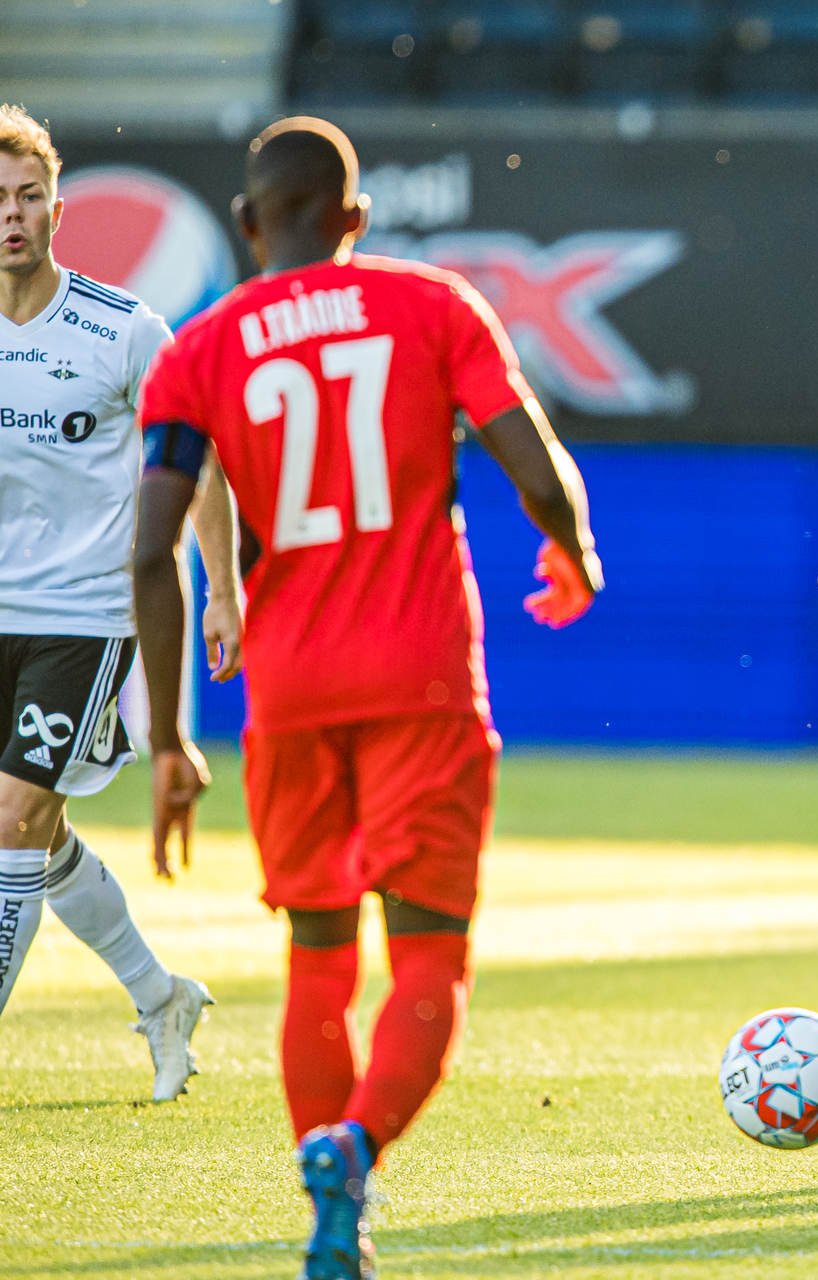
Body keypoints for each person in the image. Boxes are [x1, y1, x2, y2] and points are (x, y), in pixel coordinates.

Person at [133, 116, 603, 1279]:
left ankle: (327, 1211)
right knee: (430, 958)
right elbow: (532, 459)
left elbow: (149, 552)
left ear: (247, 225)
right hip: (423, 677)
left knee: (318, 960)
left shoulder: (198, 350)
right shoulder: (433, 306)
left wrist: (169, 735)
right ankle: (356, 1145)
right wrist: (573, 548)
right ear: (356, 217)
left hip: (288, 693)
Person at [0, 102, 233, 1101]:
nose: (10, 215)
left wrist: (222, 584)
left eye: (27, 195)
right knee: (35, 834)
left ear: (59, 208)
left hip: (84, 618)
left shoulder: (123, 328)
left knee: (13, 818)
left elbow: (203, 456)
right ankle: (160, 990)